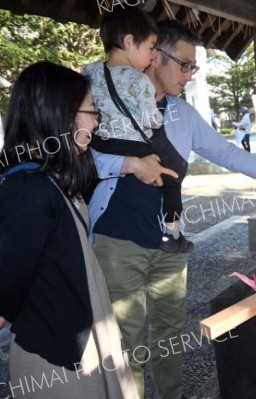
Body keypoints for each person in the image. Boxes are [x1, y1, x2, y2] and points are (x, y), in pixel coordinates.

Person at [88, 20, 256, 399]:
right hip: (118, 239)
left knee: (169, 333)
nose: (190, 76)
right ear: (155, 55)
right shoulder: (105, 99)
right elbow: (83, 157)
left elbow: (225, 152)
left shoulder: (183, 115)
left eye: (194, 68)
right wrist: (129, 165)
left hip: (169, 239)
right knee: (125, 340)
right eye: (185, 65)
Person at [0, 62, 138, 398]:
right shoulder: (26, 189)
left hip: (86, 342)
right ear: (59, 115)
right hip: (59, 364)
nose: (95, 122)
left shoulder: (52, 178)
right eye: (91, 112)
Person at [84, 6, 193, 253]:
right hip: (132, 143)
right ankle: (172, 233)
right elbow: (151, 119)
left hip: (101, 142)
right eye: (151, 46)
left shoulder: (90, 71)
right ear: (129, 42)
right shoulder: (139, 80)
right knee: (173, 176)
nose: (153, 55)